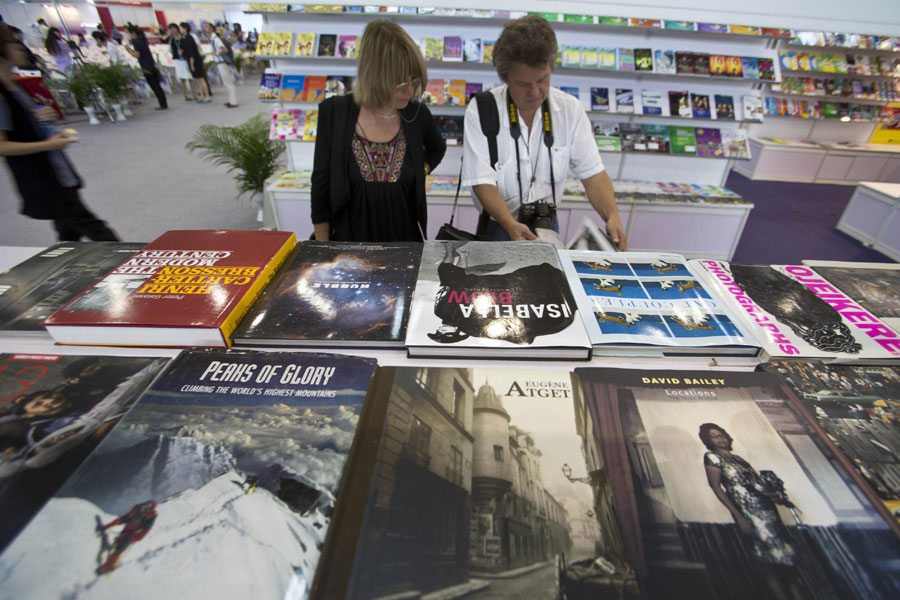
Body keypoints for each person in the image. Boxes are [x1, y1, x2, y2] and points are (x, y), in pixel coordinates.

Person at [461, 16, 627, 248]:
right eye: (523, 84)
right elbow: (482, 182)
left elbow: (594, 175)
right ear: (505, 78)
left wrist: (612, 216)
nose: (535, 92)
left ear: (551, 68)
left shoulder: (570, 109)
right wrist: (510, 224)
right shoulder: (482, 109)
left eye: (542, 80)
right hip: (499, 225)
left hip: (548, 225)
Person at [311, 19, 445, 242]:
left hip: (405, 245)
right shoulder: (334, 113)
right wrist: (322, 250)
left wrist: (422, 168)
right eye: (400, 84)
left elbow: (437, 148)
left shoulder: (416, 115)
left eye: (414, 81)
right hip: (348, 246)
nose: (409, 91)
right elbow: (321, 187)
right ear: (374, 75)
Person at [0, 24, 119, 242]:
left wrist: (39, 116)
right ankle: (128, 266)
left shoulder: (15, 86)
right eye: (12, 43)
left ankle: (68, 266)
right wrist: (47, 145)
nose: (21, 49)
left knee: (68, 229)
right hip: (43, 174)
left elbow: (23, 124)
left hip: (55, 169)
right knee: (94, 229)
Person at [700, 423, 806, 600]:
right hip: (748, 513)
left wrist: (775, 495)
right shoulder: (712, 457)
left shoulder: (739, 459)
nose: (720, 438)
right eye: (714, 436)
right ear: (707, 440)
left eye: (722, 434)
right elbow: (717, 487)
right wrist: (739, 517)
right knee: (768, 564)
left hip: (767, 511)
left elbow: (758, 484)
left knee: (787, 562)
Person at [124, 25, 167, 110]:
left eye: (128, 33)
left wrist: (128, 50)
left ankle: (162, 104)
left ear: (132, 33)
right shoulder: (142, 40)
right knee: (157, 86)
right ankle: (163, 103)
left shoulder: (136, 42)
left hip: (147, 67)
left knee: (155, 87)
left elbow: (137, 55)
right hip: (151, 66)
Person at [204, 22, 236, 107]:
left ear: (211, 28)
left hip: (222, 62)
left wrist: (217, 53)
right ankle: (231, 100)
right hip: (219, 63)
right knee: (226, 82)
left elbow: (224, 50)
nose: (205, 28)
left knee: (228, 82)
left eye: (207, 27)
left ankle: (233, 101)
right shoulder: (212, 39)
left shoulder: (216, 39)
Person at [181, 22, 212, 100]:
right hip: (193, 60)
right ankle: (202, 95)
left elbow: (191, 52)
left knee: (201, 79)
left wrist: (191, 64)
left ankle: (207, 96)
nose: (179, 30)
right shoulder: (186, 38)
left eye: (180, 28)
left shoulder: (189, 38)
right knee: (198, 79)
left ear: (185, 28)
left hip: (195, 61)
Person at [167, 23, 197, 101]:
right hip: (177, 60)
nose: (173, 30)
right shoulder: (171, 39)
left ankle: (194, 94)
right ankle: (185, 95)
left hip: (185, 59)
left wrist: (183, 51)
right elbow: (163, 39)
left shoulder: (183, 38)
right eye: (171, 29)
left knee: (190, 77)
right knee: (182, 79)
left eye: (174, 28)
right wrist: (168, 34)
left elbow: (188, 48)